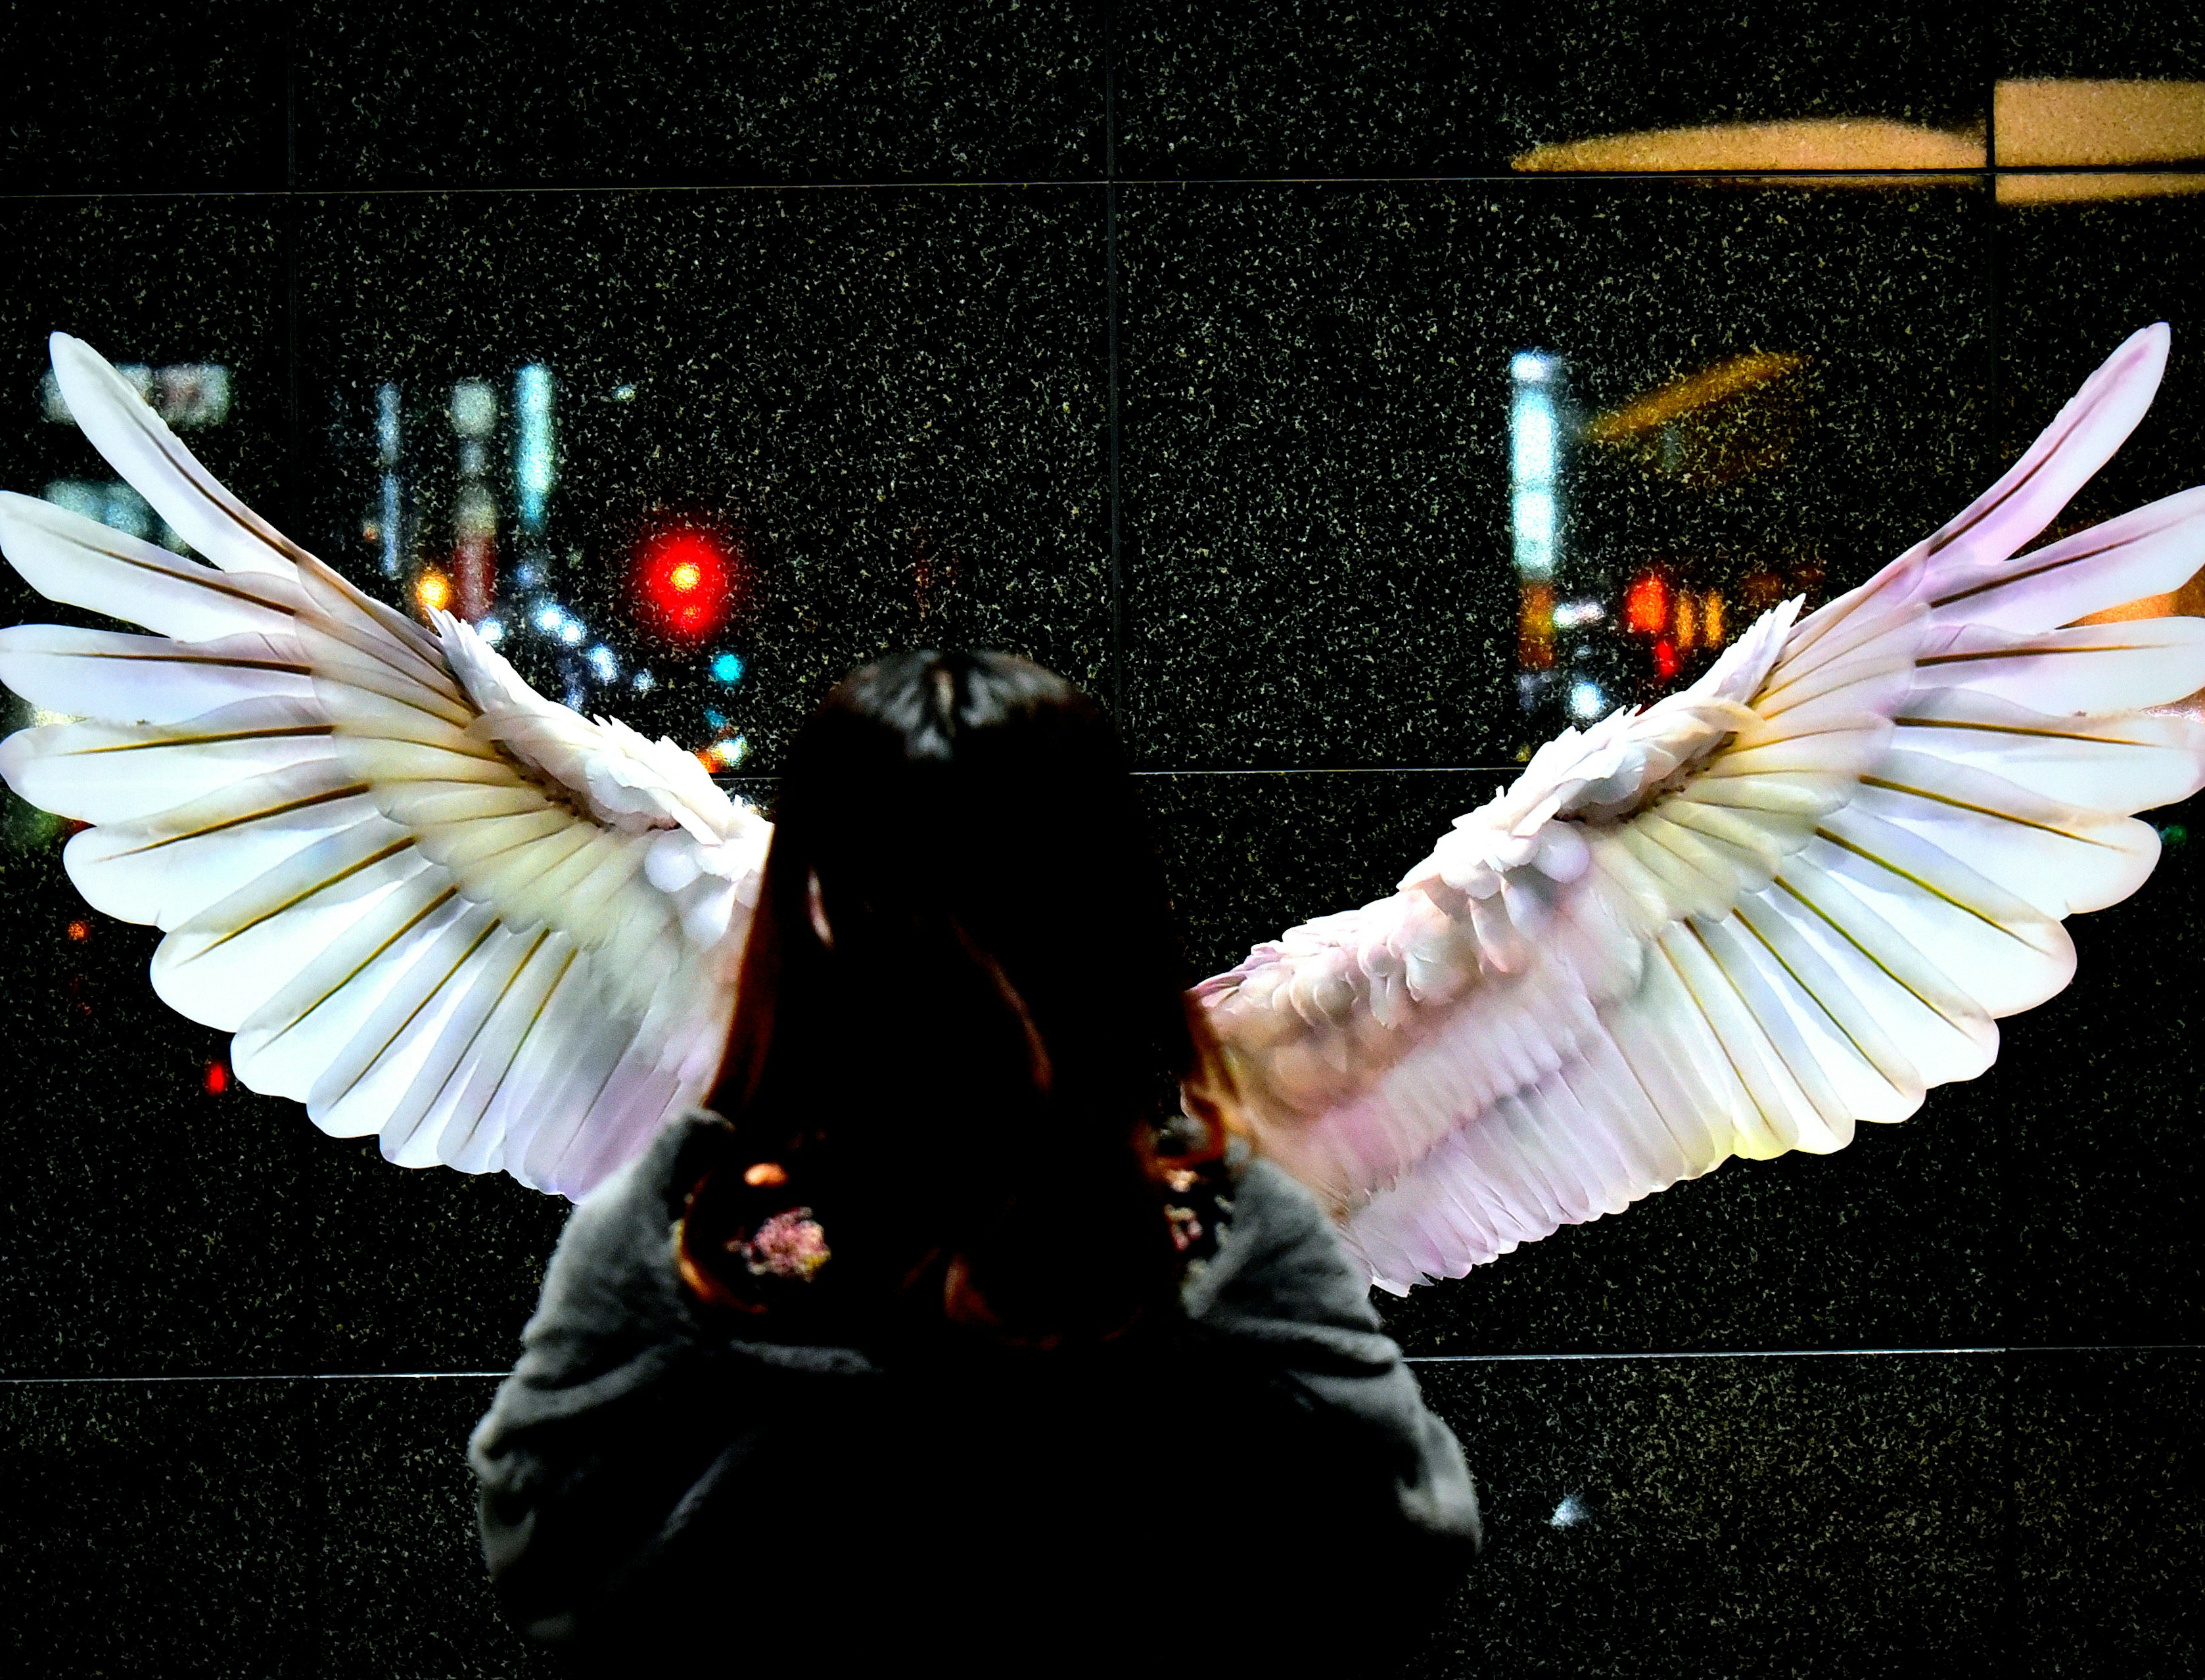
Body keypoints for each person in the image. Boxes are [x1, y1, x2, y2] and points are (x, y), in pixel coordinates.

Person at [468, 649, 1482, 1670]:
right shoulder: (1218, 1227)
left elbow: (536, 1533)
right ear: (1103, 905)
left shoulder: (693, 1228)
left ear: (806, 900)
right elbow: (1412, 1529)